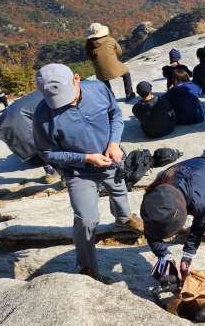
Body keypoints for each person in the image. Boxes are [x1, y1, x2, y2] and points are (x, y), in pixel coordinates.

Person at [32, 63, 144, 281]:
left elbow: (116, 115)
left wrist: (114, 142)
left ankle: (123, 218)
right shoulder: (42, 114)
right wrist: (85, 158)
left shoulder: (98, 90)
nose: (66, 104)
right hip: (78, 172)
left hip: (111, 160)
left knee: (119, 192)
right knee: (86, 219)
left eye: (68, 96)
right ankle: (87, 265)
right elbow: (46, 152)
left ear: (76, 79)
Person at [141, 156, 205, 278]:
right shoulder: (151, 199)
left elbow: (199, 225)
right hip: (196, 174)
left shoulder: (198, 201)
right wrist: (166, 257)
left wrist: (188, 256)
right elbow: (151, 232)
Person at [0, 90, 59, 184]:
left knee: (36, 146)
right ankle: (55, 172)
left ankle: (49, 169)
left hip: (8, 117)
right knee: (41, 141)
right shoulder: (56, 97)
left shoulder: (44, 91)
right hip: (22, 121)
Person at [85, 23, 134, 101]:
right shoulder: (110, 40)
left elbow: (91, 58)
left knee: (104, 80)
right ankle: (129, 94)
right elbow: (119, 52)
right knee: (126, 74)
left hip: (100, 71)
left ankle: (111, 97)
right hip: (114, 65)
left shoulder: (89, 45)